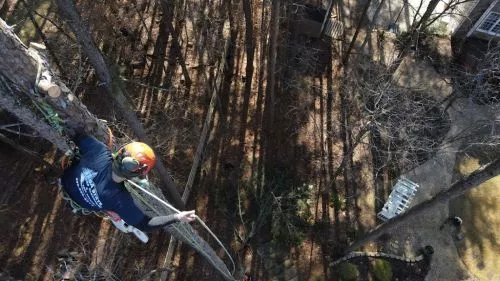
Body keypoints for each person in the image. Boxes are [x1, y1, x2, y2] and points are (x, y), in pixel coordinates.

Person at [60, 134, 195, 238]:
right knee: (112, 209)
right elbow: (145, 224)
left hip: (66, 181)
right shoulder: (122, 201)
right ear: (137, 174)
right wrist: (177, 217)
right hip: (79, 202)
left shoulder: (99, 151)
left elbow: (79, 136)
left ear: (121, 152)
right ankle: (114, 214)